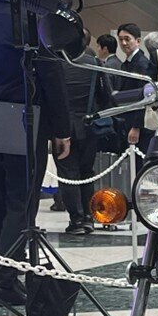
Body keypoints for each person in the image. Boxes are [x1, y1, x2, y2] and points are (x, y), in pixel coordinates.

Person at [0, 0, 71, 305]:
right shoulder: (32, 22)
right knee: (22, 202)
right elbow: (50, 74)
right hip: (23, 118)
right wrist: (62, 129)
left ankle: (1, 271)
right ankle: (5, 280)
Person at [60, 32, 115, 235]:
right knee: (86, 172)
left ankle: (76, 219)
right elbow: (107, 95)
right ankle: (89, 218)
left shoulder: (58, 63)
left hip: (63, 127)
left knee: (67, 174)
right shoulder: (95, 63)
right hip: (89, 125)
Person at [116, 23, 156, 152]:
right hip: (126, 120)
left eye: (127, 39)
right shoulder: (126, 64)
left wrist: (136, 126)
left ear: (138, 41)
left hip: (138, 125)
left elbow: (145, 98)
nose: (123, 43)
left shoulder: (142, 64)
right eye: (120, 39)